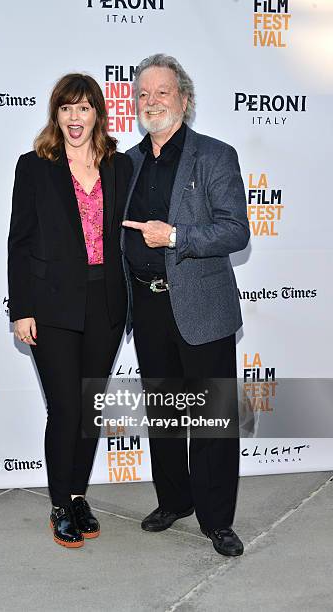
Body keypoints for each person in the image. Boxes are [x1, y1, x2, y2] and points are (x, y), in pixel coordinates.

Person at [122, 54, 250, 557]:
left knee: (213, 420)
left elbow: (236, 230)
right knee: (165, 415)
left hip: (204, 308)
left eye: (162, 92)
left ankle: (218, 521)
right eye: (143, 94)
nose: (151, 101)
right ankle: (174, 500)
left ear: (185, 100)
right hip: (148, 310)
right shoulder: (126, 163)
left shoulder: (215, 156)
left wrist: (174, 236)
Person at [8, 73, 132, 548]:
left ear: (98, 113)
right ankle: (60, 503)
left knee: (88, 410)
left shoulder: (119, 166)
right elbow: (19, 244)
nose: (74, 118)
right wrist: (22, 309)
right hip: (52, 305)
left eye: (83, 108)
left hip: (106, 303)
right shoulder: (35, 166)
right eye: (66, 109)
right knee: (64, 408)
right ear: (55, 115)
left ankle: (79, 494)